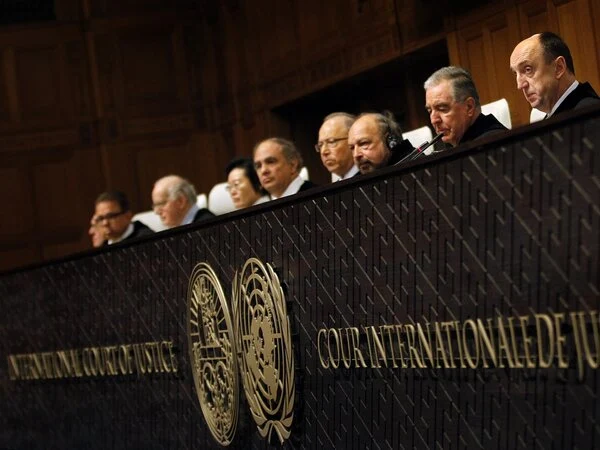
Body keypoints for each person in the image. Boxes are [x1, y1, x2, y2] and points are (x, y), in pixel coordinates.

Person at [510, 31, 600, 118]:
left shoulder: (589, 115)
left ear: (558, 67)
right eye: (515, 73)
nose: (520, 85)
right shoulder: (555, 118)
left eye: (528, 69)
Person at [424, 66, 507, 147]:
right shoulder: (451, 145)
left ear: (469, 107)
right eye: (430, 111)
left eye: (442, 109)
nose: (433, 120)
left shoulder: (494, 144)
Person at [348, 111, 413, 174]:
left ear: (390, 141)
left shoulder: (416, 167)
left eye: (363, 143)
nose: (356, 155)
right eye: (352, 148)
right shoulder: (355, 181)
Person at [316, 112, 358, 181]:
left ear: (352, 141)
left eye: (331, 142)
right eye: (320, 145)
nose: (324, 152)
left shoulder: (369, 180)